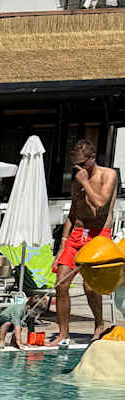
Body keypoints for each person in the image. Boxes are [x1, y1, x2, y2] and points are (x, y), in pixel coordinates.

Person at [53, 137, 120, 348]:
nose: (79, 168)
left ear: (92, 157)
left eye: (82, 164)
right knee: (60, 284)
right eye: (76, 165)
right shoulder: (76, 181)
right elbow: (73, 214)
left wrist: (84, 182)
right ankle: (63, 333)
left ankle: (99, 325)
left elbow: (100, 204)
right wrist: (62, 245)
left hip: (99, 236)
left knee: (90, 287)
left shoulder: (109, 175)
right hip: (77, 235)